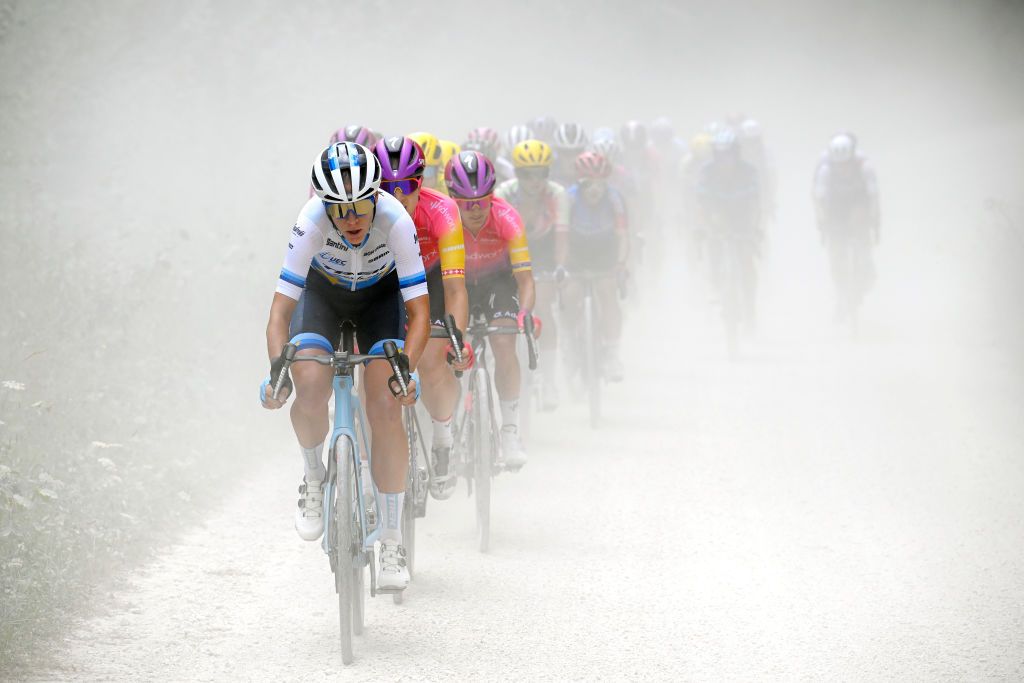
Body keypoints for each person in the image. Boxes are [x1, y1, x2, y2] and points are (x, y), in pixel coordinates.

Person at [261, 141, 430, 591]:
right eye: (340, 209)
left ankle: (392, 537)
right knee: (309, 381)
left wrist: (406, 371)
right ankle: (314, 478)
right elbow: (280, 314)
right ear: (323, 206)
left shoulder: (396, 220)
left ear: (377, 197)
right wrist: (279, 370)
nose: (352, 219)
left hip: (379, 299)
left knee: (385, 405)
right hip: (323, 297)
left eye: (360, 207)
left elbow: (419, 312)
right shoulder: (309, 222)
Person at [373, 136, 472, 499]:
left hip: (431, 280)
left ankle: (443, 438)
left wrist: (456, 339)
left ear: (421, 183)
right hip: (385, 282)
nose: (398, 197)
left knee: (433, 359)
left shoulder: (443, 211)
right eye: (388, 188)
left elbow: (456, 290)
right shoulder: (366, 212)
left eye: (407, 187)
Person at [446, 151, 536, 468]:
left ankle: (510, 432)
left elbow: (525, 280)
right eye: (466, 202)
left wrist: (524, 315)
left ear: (492, 195)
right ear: (451, 196)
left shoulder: (508, 217)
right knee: (449, 350)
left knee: (503, 343)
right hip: (456, 287)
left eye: (482, 201)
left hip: (499, 285)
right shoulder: (443, 218)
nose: (475, 210)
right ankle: (446, 429)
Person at [494, 140, 569, 410]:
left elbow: (562, 234)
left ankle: (549, 382)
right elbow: (497, 236)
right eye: (527, 174)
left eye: (541, 173)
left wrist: (560, 266)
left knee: (543, 308)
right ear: (517, 172)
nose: (535, 180)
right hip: (510, 255)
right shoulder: (504, 192)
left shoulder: (557, 194)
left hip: (544, 254)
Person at [562, 152, 629, 381]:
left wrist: (621, 264)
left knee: (608, 291)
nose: (594, 190)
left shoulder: (615, 199)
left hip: (605, 253)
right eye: (588, 184)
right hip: (575, 254)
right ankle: (571, 343)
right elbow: (559, 235)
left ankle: (612, 353)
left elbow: (622, 236)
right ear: (578, 183)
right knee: (571, 295)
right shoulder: (567, 198)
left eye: (600, 184)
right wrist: (561, 265)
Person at [695, 129, 762, 330]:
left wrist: (755, 228)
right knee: (714, 242)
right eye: (720, 155)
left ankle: (749, 305)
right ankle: (716, 284)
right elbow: (701, 204)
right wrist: (702, 226)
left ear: (736, 154)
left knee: (746, 259)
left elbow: (755, 204)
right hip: (718, 215)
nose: (725, 160)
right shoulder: (706, 171)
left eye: (729, 155)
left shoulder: (749, 171)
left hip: (742, 216)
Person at [812, 132, 880, 322]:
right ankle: (841, 295)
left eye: (846, 164)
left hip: (859, 204)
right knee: (836, 254)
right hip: (835, 208)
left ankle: (865, 264)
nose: (843, 168)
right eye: (839, 165)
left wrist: (874, 220)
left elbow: (873, 196)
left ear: (852, 158)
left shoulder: (865, 167)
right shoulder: (826, 170)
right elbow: (819, 199)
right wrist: (822, 223)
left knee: (859, 222)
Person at [551, 122, 588, 186]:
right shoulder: (547, 175)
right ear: (557, 153)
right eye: (566, 153)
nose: (573, 159)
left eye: (577, 152)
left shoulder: (593, 177)